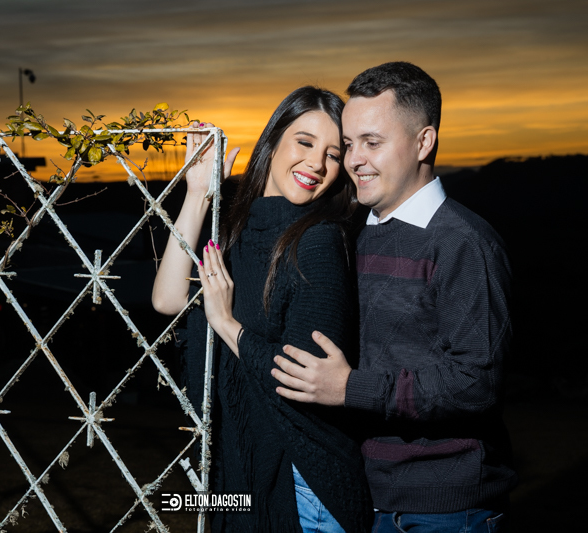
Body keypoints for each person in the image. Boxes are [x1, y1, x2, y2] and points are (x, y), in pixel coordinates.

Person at [271, 62, 518, 532]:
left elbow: (476, 383)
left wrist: (350, 388)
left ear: (424, 142)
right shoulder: (352, 235)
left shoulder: (464, 243)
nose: (354, 160)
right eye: (349, 144)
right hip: (363, 494)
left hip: (443, 508)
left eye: (372, 142)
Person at [152, 87, 372, 532]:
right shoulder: (236, 225)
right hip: (239, 463)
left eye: (333, 155)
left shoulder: (318, 241)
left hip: (301, 482)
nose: (316, 164)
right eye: (304, 142)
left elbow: (304, 376)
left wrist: (226, 324)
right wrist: (198, 194)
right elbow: (168, 299)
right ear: (272, 142)